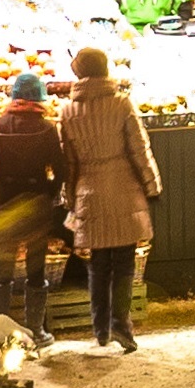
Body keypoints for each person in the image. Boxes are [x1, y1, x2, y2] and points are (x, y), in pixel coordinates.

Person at [60, 46, 160, 353]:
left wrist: (68, 196)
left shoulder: (67, 111)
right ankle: (122, 325)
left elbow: (68, 161)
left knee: (98, 264)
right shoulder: (121, 103)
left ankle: (100, 328)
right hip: (123, 190)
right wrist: (151, 184)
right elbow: (139, 148)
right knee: (125, 264)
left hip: (89, 193)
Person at [0, 71, 72, 325]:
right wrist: (50, 190)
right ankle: (36, 329)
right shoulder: (47, 128)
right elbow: (61, 168)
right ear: (40, 98)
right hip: (37, 202)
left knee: (2, 269)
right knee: (36, 269)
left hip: (4, 203)